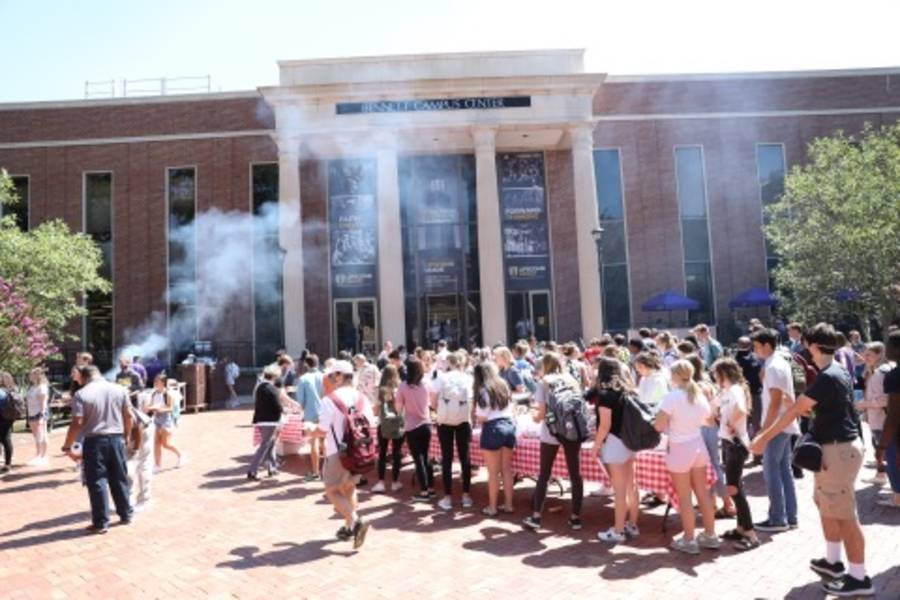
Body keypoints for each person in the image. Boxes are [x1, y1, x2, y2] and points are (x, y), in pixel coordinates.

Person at [751, 323, 872, 596]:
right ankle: (833, 561)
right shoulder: (834, 372)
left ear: (814, 347)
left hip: (837, 451)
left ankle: (859, 578)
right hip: (835, 450)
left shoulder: (828, 375)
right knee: (828, 507)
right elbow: (829, 409)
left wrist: (763, 438)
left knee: (845, 516)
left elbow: (793, 410)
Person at [655, 359, 719, 554]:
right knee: (702, 493)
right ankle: (710, 535)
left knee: (685, 497)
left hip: (680, 447)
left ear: (675, 375)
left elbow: (658, 426)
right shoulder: (698, 395)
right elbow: (708, 420)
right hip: (697, 445)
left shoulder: (672, 397)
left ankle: (689, 539)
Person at [62, 365, 134, 534]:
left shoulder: (81, 394)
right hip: (116, 438)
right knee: (119, 477)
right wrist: (126, 436)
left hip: (94, 441)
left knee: (97, 481)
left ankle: (101, 522)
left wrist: (67, 445)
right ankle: (126, 514)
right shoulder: (119, 389)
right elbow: (129, 415)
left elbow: (77, 422)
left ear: (85, 377)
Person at [522, 352, 585, 531]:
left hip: (551, 431)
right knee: (575, 474)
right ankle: (576, 517)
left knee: (544, 473)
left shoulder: (544, 383)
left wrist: (534, 416)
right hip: (572, 430)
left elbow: (541, 413)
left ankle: (536, 516)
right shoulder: (572, 380)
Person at [318, 359, 372, 548]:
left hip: (337, 452)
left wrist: (310, 430)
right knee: (349, 488)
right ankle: (349, 527)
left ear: (340, 376)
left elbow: (322, 429)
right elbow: (371, 424)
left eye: (333, 375)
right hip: (358, 451)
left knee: (331, 490)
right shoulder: (361, 397)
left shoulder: (329, 400)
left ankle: (356, 521)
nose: (331, 379)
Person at [751, 327, 800, 532]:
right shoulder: (778, 363)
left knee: (773, 472)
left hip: (777, 426)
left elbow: (775, 401)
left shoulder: (773, 366)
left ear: (766, 345)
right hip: (784, 424)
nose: (755, 351)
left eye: (756, 347)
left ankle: (778, 518)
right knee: (783, 471)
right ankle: (789, 516)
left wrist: (763, 431)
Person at [711, 358, 760, 551]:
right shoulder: (727, 391)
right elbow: (714, 408)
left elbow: (742, 410)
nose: (715, 378)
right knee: (735, 486)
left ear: (724, 374)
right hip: (729, 443)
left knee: (734, 489)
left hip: (735, 445)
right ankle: (741, 527)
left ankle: (750, 533)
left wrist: (730, 423)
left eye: (717, 375)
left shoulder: (735, 390)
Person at [591, 356, 641, 542]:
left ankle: (618, 531)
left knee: (619, 490)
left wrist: (595, 446)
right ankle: (632, 525)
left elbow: (604, 426)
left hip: (614, 443)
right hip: (630, 442)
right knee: (631, 486)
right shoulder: (629, 391)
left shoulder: (605, 395)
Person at [686, 353, 735, 518]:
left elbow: (708, 413)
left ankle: (727, 503)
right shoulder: (705, 383)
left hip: (706, 428)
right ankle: (713, 503)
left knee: (712, 466)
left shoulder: (700, 386)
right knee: (711, 466)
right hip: (708, 428)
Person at [430, 352, 474, 510]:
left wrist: (436, 409)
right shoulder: (468, 378)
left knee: (446, 458)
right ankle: (466, 496)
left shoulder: (441, 377)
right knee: (465, 458)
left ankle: (447, 497)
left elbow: (433, 396)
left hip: (445, 420)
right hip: (463, 420)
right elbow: (472, 400)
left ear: (449, 363)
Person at [473, 362, 516, 516]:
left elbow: (482, 417)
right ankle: (509, 505)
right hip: (509, 426)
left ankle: (492, 507)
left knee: (493, 473)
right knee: (506, 470)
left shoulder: (484, 390)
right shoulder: (503, 384)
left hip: (493, 428)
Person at [395, 357, 435, 501]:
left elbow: (398, 408)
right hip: (426, 423)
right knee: (426, 456)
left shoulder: (403, 386)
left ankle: (424, 491)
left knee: (419, 459)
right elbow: (433, 401)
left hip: (411, 426)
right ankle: (430, 487)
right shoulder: (426, 383)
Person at [859, 342, 892, 486]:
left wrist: (864, 405)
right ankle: (882, 475)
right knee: (883, 453)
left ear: (879, 355)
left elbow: (885, 399)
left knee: (889, 455)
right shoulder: (873, 371)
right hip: (877, 420)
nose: (865, 357)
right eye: (864, 354)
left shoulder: (880, 373)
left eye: (869, 355)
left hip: (882, 421)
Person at [876, 330, 900, 509]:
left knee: (895, 463)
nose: (886, 350)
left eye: (888, 345)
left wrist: (882, 445)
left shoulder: (894, 376)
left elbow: (893, 415)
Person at [248, 364, 283, 481]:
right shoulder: (272, 388)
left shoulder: (260, 387)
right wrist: (284, 412)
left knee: (270, 444)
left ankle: (272, 467)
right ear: (274, 376)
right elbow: (277, 405)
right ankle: (253, 470)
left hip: (261, 419)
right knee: (265, 445)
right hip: (270, 420)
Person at [372, 365, 404, 493]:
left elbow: (375, 409)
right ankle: (395, 482)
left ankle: (381, 482)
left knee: (382, 452)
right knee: (397, 453)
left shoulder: (380, 390)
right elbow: (400, 408)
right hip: (398, 422)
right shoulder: (400, 388)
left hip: (383, 423)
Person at [145, 372, 184, 471]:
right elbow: (150, 406)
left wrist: (160, 409)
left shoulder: (167, 394)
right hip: (157, 420)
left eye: (157, 381)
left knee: (165, 444)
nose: (155, 382)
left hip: (166, 421)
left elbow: (170, 409)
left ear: (162, 382)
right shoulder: (154, 394)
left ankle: (181, 455)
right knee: (156, 443)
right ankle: (157, 465)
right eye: (155, 381)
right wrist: (150, 408)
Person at [297, 354, 325, 482]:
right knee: (326, 442)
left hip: (311, 413)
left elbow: (300, 401)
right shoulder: (324, 376)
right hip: (325, 412)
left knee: (314, 442)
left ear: (306, 364)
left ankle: (316, 472)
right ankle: (328, 471)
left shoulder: (303, 379)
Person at [734, 337, 763, 438]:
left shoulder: (734, 359)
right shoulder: (756, 358)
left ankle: (743, 447)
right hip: (755, 393)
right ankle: (758, 449)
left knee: (742, 423)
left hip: (741, 394)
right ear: (750, 345)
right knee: (757, 422)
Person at [25, 367, 50, 466]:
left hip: (39, 414)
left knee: (42, 434)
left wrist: (41, 416)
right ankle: (38, 454)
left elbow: (43, 403)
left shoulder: (42, 387)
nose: (30, 376)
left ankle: (44, 456)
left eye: (31, 374)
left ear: (37, 375)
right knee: (36, 436)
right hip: (31, 413)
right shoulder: (32, 387)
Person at [0, 371, 17, 473]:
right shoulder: (11, 390)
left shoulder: (2, 392)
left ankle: (7, 464)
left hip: (2, 417)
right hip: (8, 417)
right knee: (6, 439)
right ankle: (7, 463)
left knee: (5, 439)